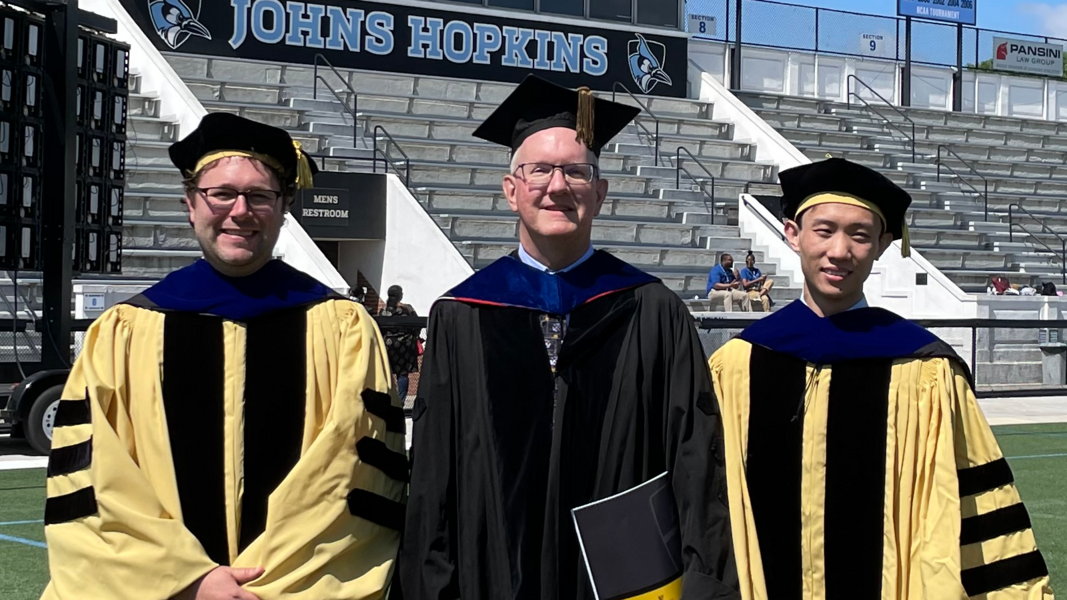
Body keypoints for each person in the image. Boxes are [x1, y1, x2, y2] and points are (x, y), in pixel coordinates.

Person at [40, 113, 406, 600]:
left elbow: (354, 473)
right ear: (191, 204)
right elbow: (94, 477)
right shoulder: (124, 332)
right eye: (221, 193)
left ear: (283, 207)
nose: (240, 211)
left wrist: (272, 583)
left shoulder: (342, 329)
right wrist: (186, 577)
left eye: (259, 196)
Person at [401, 75, 738, 600]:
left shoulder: (652, 310)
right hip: (489, 571)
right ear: (511, 190)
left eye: (575, 172)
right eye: (539, 170)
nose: (557, 186)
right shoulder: (462, 314)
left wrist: (703, 582)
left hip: (631, 575)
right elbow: (433, 474)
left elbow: (696, 461)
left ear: (599, 193)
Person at [708, 158, 1052, 599]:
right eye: (824, 230)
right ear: (792, 234)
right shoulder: (738, 366)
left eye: (859, 235)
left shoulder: (925, 371)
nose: (839, 251)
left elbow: (974, 507)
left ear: (883, 245)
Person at [379, 285, 419, 403]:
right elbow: (416, 324)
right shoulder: (407, 309)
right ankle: (400, 401)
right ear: (400, 296)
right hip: (405, 346)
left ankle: (387, 399)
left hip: (388, 345)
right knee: (403, 374)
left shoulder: (383, 311)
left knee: (386, 372)